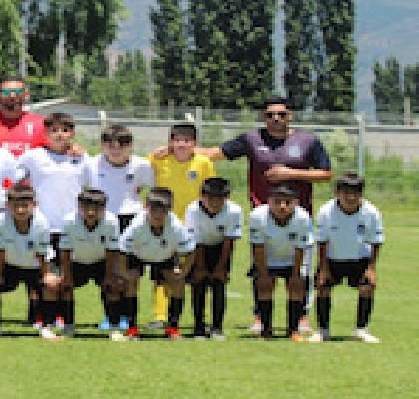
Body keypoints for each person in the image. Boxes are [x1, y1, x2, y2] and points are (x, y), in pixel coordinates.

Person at [155, 97, 332, 334]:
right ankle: (260, 316)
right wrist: (180, 149)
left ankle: (301, 317)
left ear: (290, 115)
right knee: (260, 267)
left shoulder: (308, 140)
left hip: (298, 215)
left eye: (281, 114)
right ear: (263, 117)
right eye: (270, 114)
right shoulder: (252, 139)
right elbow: (216, 153)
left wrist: (290, 173)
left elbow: (326, 173)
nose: (276, 118)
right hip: (262, 215)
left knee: (301, 269)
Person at [16, 112, 91, 329]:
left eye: (65, 130)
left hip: (71, 226)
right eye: (54, 131)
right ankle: (39, 315)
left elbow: (95, 184)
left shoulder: (82, 158)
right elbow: (13, 177)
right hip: (42, 225)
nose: (59, 135)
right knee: (42, 272)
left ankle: (64, 316)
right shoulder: (33, 156)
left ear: (72, 134)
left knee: (66, 274)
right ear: (46, 133)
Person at [146, 123, 215, 332]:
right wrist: (156, 153)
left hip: (194, 225)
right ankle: (160, 316)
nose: (181, 144)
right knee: (162, 272)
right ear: (170, 142)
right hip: (164, 224)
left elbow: (210, 190)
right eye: (177, 140)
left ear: (195, 143)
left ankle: (198, 318)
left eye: (186, 140)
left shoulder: (203, 163)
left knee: (196, 274)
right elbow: (139, 165)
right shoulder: (159, 160)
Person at [85, 124, 154, 330]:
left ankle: (129, 318)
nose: (116, 149)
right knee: (108, 272)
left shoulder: (142, 165)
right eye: (110, 144)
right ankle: (111, 316)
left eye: (122, 144)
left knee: (130, 274)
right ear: (102, 145)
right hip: (103, 221)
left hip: (131, 220)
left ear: (130, 145)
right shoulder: (91, 163)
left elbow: (153, 190)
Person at [311, 173, 384, 343]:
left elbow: (376, 241)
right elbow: (322, 241)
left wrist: (371, 268)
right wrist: (323, 269)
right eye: (346, 193)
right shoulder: (326, 211)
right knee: (323, 288)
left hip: (359, 259)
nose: (351, 197)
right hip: (332, 259)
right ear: (336, 192)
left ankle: (361, 330)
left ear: (361, 193)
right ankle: (323, 331)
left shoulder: (372, 212)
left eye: (356, 193)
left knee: (367, 287)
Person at [0, 184, 61, 340]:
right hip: (9, 264)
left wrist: (46, 275)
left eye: (25, 206)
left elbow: (42, 253)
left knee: (51, 285)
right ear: (7, 205)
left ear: (34, 205)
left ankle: (47, 327)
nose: (20, 210)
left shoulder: (42, 223)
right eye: (15, 206)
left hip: (35, 265)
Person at [117, 188, 196, 341]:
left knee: (178, 283)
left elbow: (191, 250)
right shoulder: (137, 226)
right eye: (154, 210)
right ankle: (132, 329)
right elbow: (122, 250)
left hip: (165, 256)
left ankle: (173, 328)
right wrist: (124, 273)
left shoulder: (176, 227)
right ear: (146, 207)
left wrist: (184, 271)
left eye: (163, 211)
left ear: (169, 210)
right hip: (138, 255)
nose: (158, 215)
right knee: (130, 281)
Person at [248, 184, 313, 341]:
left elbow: (300, 248)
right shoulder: (257, 216)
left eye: (287, 202)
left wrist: (296, 274)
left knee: (296, 288)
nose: (282, 206)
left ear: (296, 202)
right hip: (268, 258)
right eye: (277, 202)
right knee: (264, 287)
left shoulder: (303, 218)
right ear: (269, 201)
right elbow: (257, 247)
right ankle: (266, 330)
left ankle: (293, 330)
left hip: (293, 259)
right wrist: (263, 274)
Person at [56, 188, 124, 339]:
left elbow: (112, 250)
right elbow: (65, 250)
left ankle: (114, 328)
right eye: (86, 208)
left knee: (113, 286)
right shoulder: (69, 221)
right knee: (64, 286)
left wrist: (110, 276)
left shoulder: (111, 221)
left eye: (96, 208)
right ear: (79, 207)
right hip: (77, 262)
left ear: (104, 208)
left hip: (102, 262)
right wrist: (66, 276)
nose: (91, 213)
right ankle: (68, 326)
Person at [183, 177, 243, 341]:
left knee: (219, 284)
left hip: (221, 249)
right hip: (197, 250)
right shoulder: (193, 210)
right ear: (202, 196)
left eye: (220, 199)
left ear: (227, 197)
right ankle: (199, 327)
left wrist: (221, 267)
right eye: (210, 198)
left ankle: (217, 327)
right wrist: (200, 267)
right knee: (198, 285)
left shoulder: (234, 211)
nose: (215, 203)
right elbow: (196, 241)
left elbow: (229, 241)